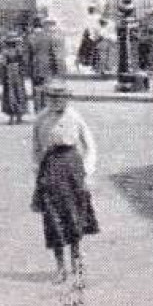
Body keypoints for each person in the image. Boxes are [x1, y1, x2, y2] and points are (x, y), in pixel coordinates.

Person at [30, 83, 99, 284]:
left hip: (72, 169)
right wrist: (38, 172)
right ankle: (60, 267)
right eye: (52, 98)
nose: (56, 102)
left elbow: (90, 145)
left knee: (74, 216)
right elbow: (35, 148)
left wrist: (87, 170)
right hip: (50, 169)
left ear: (67, 99)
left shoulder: (75, 117)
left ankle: (77, 264)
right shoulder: (41, 119)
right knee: (53, 217)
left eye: (60, 98)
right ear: (47, 99)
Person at [27, 16, 65, 111]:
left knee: (35, 88)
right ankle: (44, 108)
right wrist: (57, 68)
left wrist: (27, 68)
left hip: (35, 66)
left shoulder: (30, 37)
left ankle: (37, 109)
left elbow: (28, 54)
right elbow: (53, 53)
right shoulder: (48, 37)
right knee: (46, 88)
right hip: (47, 66)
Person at [0, 34, 31, 124]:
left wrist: (2, 75)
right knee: (19, 93)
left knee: (10, 94)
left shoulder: (4, 52)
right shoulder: (19, 51)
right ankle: (19, 117)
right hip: (18, 74)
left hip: (8, 74)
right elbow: (24, 62)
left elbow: (2, 64)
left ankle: (11, 117)